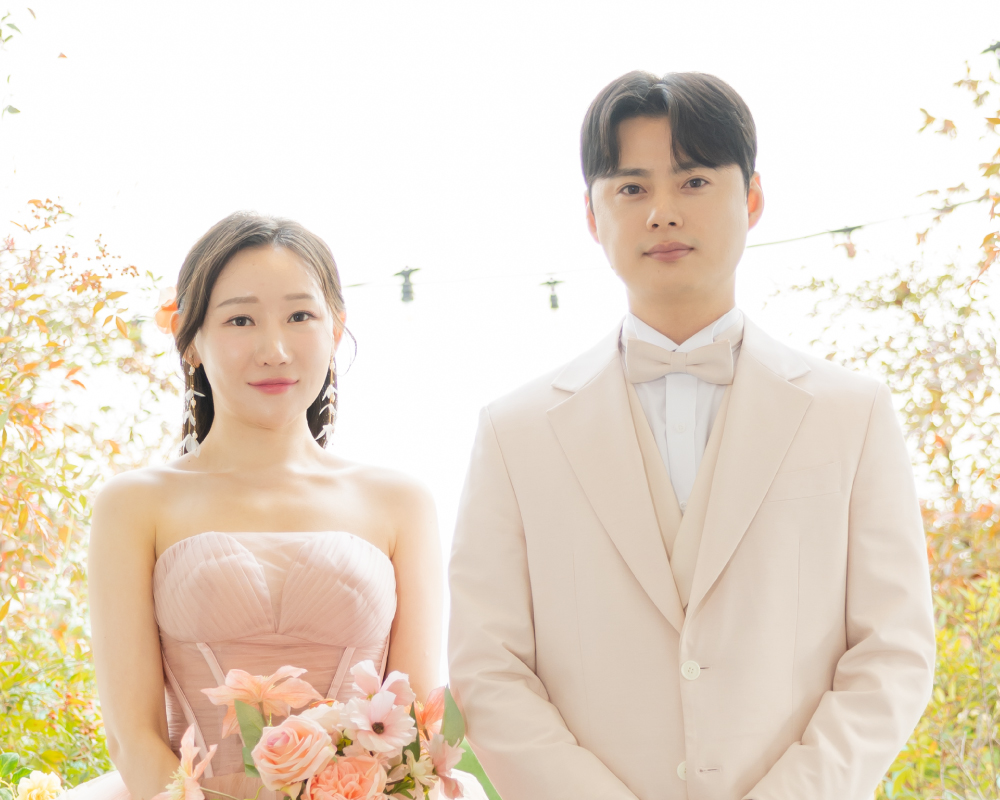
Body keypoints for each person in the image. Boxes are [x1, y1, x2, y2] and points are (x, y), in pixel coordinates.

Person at [448, 71, 936, 800]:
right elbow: (488, 668)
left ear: (753, 198)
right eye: (632, 188)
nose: (663, 213)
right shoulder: (514, 433)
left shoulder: (852, 414)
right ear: (592, 216)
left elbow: (893, 652)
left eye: (695, 182)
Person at [72, 213, 485, 800]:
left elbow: (411, 724)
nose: (274, 350)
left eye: (300, 316)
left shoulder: (401, 502)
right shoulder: (134, 505)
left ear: (335, 330)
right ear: (190, 340)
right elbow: (131, 735)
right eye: (240, 319)